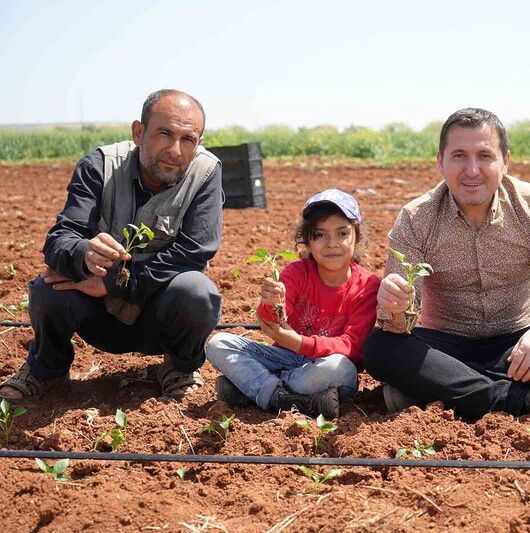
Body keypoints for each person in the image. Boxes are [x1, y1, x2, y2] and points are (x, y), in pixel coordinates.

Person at [362, 108, 530, 424]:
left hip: (521, 345)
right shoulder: (416, 218)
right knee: (380, 348)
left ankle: (434, 391)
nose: (472, 169)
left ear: (505, 161)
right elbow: (400, 322)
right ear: (440, 162)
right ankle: (521, 401)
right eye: (459, 156)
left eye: (484, 155)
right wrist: (396, 307)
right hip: (446, 348)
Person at [0, 89, 223, 402]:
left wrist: (114, 283)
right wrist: (84, 255)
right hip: (97, 315)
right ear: (138, 132)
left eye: (188, 139)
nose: (175, 150)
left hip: (159, 313)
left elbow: (195, 250)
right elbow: (60, 239)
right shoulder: (100, 166)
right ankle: (46, 370)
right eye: (164, 133)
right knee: (48, 288)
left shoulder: (206, 173)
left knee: (197, 291)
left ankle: (179, 367)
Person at [206, 189, 380, 419]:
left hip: (324, 368)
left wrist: (298, 342)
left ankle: (257, 390)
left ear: (356, 236)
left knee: (340, 367)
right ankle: (294, 400)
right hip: (284, 358)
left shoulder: (368, 285)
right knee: (219, 343)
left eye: (342, 233)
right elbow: (272, 321)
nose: (332, 244)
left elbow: (352, 348)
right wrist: (270, 302)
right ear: (307, 239)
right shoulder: (297, 272)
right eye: (320, 235)